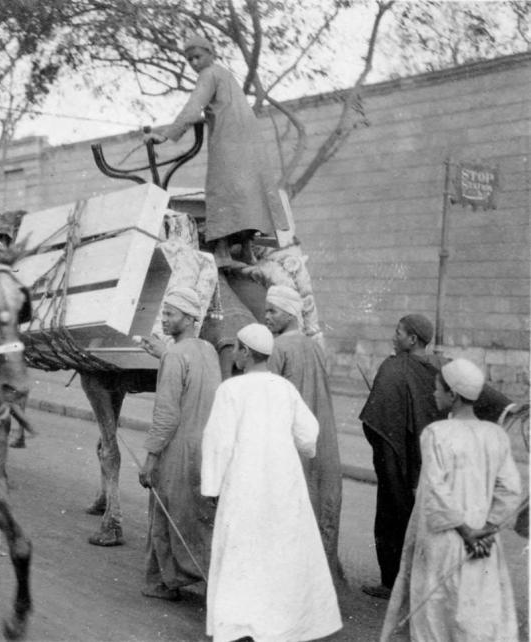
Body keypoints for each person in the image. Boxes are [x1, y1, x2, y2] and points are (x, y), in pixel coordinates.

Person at [360, 313, 520, 599]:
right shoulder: (443, 366)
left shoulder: (392, 367)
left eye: (398, 332)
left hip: (399, 452)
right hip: (431, 453)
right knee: (427, 514)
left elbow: (377, 419)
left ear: (412, 339)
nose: (393, 337)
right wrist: (512, 408)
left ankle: (391, 583)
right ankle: (425, 581)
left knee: (391, 513)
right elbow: (482, 392)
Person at [202, 323, 342, 642]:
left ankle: (240, 624)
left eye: (237, 348)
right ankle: (281, 625)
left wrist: (212, 487)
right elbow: (308, 434)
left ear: (247, 353)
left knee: (244, 551)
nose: (234, 354)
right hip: (282, 481)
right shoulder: (284, 389)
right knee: (279, 550)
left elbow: (218, 442)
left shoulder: (231, 390)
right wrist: (299, 449)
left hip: (244, 482)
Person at [380, 359, 521, 642]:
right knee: (475, 615)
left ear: (453, 395)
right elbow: (511, 490)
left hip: (444, 540)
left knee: (435, 615)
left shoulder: (436, 434)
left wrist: (465, 531)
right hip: (482, 543)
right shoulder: (495, 435)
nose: (434, 395)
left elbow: (435, 488)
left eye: (437, 389)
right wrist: (487, 528)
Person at [145, 35, 283, 268]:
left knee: (220, 191)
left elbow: (193, 107)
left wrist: (166, 135)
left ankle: (222, 251)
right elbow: (217, 107)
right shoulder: (225, 75)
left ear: (211, 54)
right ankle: (247, 250)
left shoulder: (208, 75)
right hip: (249, 141)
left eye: (198, 57)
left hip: (229, 141)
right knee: (246, 194)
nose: (194, 63)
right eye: (190, 60)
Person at [137, 286, 220, 600]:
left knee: (164, 513)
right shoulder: (208, 350)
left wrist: (151, 459)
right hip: (206, 447)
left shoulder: (174, 355)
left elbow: (167, 414)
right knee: (199, 515)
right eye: (164, 313)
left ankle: (166, 582)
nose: (165, 320)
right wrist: (165, 355)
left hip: (178, 449)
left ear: (189, 317)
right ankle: (212, 576)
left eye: (170, 314)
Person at [264, 284, 345, 586]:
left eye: (272, 311)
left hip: (292, 441)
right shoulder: (313, 345)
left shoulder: (277, 349)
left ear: (289, 313)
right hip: (319, 438)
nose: (267, 317)